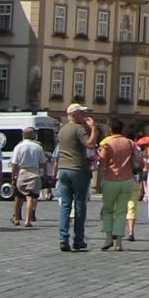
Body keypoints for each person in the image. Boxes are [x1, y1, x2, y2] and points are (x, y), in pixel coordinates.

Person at [52, 104, 97, 253]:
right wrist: (93, 129)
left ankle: (63, 238)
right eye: (82, 114)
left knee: (65, 205)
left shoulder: (62, 130)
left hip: (63, 169)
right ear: (75, 115)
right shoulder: (79, 129)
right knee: (79, 204)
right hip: (77, 169)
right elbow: (90, 144)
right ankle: (78, 239)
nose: (84, 116)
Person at [97, 118, 139, 252]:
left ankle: (109, 238)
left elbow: (102, 164)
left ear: (110, 129)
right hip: (127, 180)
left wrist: (98, 182)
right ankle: (119, 243)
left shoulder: (107, 144)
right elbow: (139, 159)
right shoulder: (130, 143)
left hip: (111, 179)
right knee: (122, 211)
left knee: (108, 210)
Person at [11, 127, 47, 226]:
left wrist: (13, 177)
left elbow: (14, 164)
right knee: (30, 197)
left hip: (22, 172)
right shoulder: (38, 147)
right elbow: (43, 163)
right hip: (34, 173)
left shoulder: (18, 147)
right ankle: (27, 220)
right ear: (32, 135)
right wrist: (45, 173)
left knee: (18, 196)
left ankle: (16, 218)